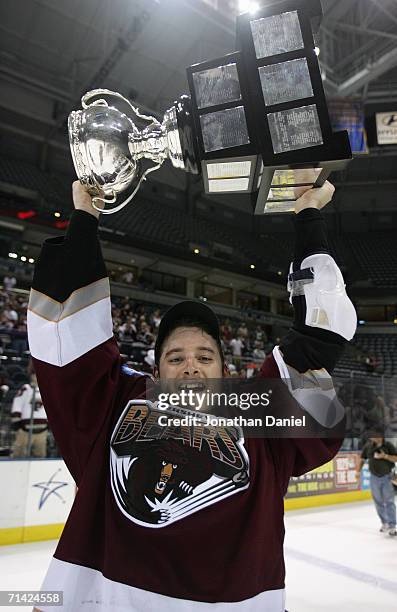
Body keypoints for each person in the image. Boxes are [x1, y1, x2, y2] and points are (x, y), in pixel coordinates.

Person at [27, 179, 356, 611]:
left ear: (225, 371)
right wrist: (86, 219)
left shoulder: (257, 413)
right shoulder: (115, 408)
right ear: (156, 371)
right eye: (176, 357)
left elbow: (318, 337)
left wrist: (308, 214)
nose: (190, 366)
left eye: (205, 356)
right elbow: (69, 346)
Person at [358, 434, 397, 536]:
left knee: (389, 501)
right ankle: (384, 523)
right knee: (378, 501)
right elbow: (362, 459)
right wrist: (358, 471)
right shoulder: (368, 446)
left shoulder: (388, 445)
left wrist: (385, 456)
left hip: (387, 477)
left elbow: (396, 458)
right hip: (374, 477)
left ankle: (392, 526)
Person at [11, 372, 48, 458]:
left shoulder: (46, 389)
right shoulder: (26, 389)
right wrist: (16, 420)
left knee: (40, 455)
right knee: (18, 454)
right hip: (25, 430)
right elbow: (18, 403)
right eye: (34, 375)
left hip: (42, 430)